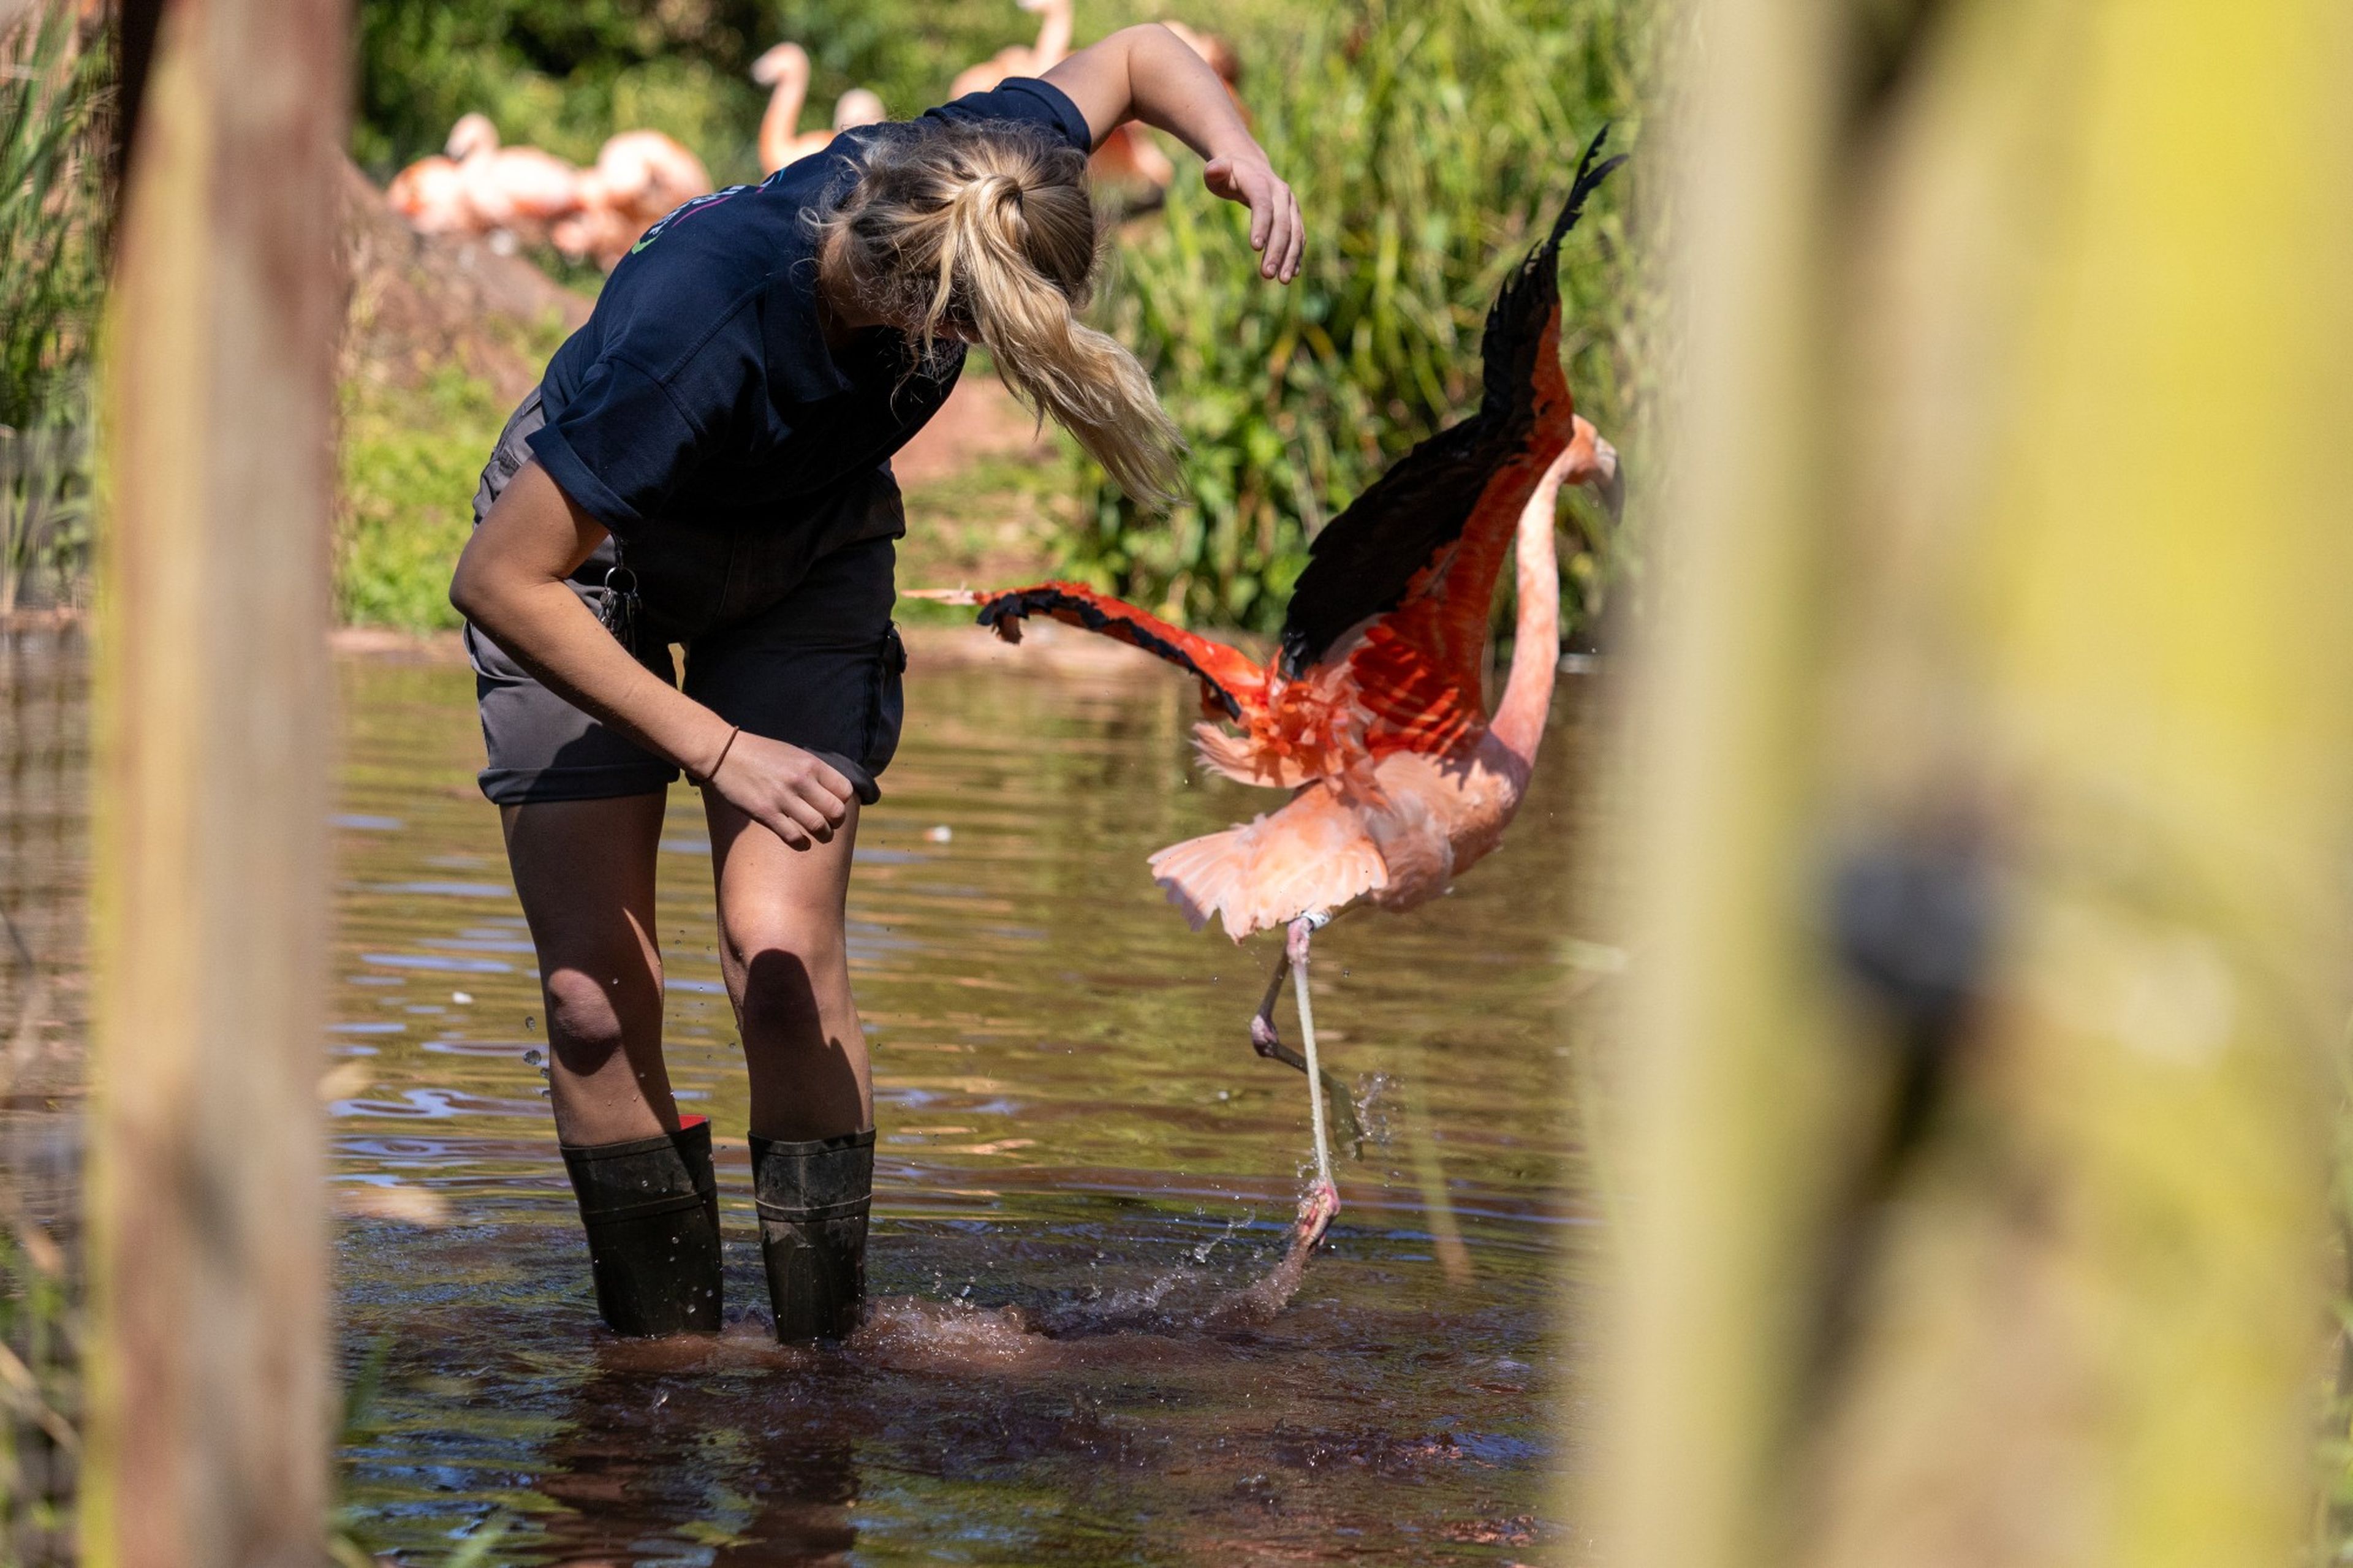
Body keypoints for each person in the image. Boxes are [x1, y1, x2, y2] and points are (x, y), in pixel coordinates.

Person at [448, 26, 1302, 1344]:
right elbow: (503, 578)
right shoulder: (704, 316)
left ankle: (816, 1375)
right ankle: (658, 1373)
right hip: (584, 560)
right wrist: (720, 747)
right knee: (591, 1007)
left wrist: (1233, 146)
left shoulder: (983, 171)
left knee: (781, 965)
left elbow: (1137, 54)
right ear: (934, 314)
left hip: (807, 547)